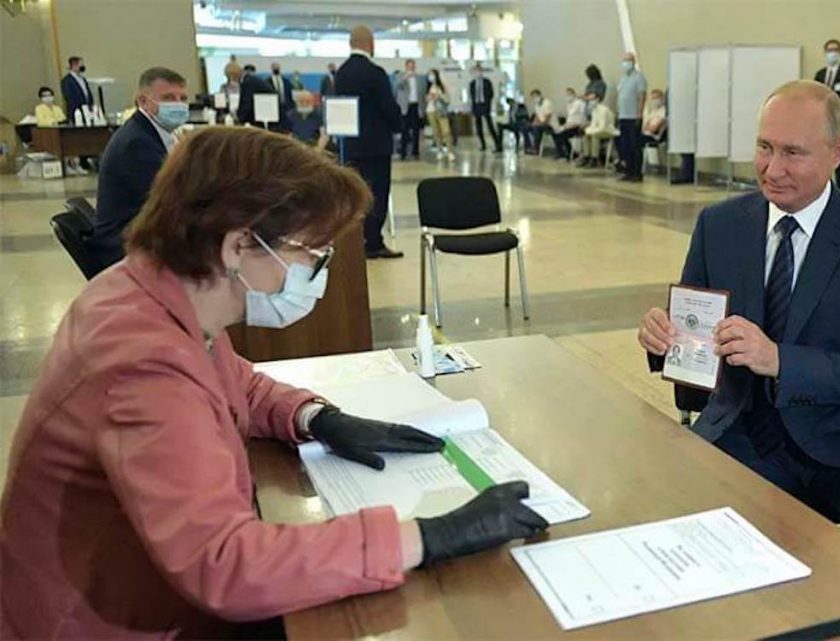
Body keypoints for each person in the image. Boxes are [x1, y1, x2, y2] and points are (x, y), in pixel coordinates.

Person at [0, 127, 549, 640]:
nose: (319, 270)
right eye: (311, 253)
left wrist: (318, 418)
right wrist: (431, 537)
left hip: (147, 588)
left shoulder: (155, 292)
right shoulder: (139, 358)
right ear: (238, 247)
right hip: (106, 621)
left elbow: (235, 384)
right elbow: (225, 564)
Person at [638, 80, 840, 573]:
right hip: (746, 424)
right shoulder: (718, 226)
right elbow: (695, 351)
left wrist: (780, 360)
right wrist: (666, 344)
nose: (773, 169)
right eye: (764, 148)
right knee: (677, 505)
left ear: (839, 151)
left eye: (793, 152)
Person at [88, 67, 189, 270]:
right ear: (143, 101)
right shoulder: (137, 143)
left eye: (183, 98)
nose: (178, 104)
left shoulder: (152, 133)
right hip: (127, 246)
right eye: (168, 98)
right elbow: (172, 201)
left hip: (140, 233)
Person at [335, 25, 405, 259]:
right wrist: (399, 126)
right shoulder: (375, 73)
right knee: (377, 193)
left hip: (351, 145)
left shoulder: (341, 73)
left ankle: (355, 240)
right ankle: (374, 242)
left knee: (354, 194)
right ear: (370, 44)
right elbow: (388, 107)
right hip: (376, 145)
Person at [814, 39, 840, 191]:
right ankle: (823, 188)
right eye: (830, 50)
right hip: (821, 122)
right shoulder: (820, 74)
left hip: (839, 121)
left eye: (835, 50)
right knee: (821, 154)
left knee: (839, 156)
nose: (833, 53)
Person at [34, 86, 84, 176]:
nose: (48, 97)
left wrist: (59, 122)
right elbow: (41, 121)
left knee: (72, 142)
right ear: (41, 98)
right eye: (45, 96)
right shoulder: (39, 108)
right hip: (48, 134)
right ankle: (66, 167)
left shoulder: (57, 108)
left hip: (61, 131)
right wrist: (53, 122)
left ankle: (75, 165)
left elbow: (63, 119)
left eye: (49, 95)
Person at [616, 52, 647, 182]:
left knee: (635, 145)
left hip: (633, 116)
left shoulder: (639, 77)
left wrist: (639, 114)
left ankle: (637, 173)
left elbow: (641, 96)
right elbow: (620, 96)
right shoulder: (622, 79)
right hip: (623, 116)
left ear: (633, 62)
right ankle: (628, 171)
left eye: (628, 60)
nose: (626, 63)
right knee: (625, 145)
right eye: (624, 60)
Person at [395, 59, 427, 160]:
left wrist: (423, 107)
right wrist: (405, 78)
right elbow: (397, 87)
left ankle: (415, 152)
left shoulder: (420, 78)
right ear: (406, 66)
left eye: (412, 66)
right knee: (404, 130)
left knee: (416, 130)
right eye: (409, 66)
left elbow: (423, 92)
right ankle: (403, 152)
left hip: (416, 106)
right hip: (405, 106)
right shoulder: (400, 76)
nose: (411, 68)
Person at [577, 95, 618, 168]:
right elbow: (593, 124)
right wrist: (587, 131)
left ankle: (594, 158)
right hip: (598, 129)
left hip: (608, 130)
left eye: (592, 100)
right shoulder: (594, 110)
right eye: (589, 100)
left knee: (594, 135)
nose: (591, 102)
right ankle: (587, 157)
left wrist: (591, 131)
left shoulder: (604, 110)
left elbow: (602, 126)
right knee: (586, 135)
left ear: (598, 99)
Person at [469, 63, 501, 153]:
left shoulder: (487, 82)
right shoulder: (472, 84)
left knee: (489, 125)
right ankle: (482, 144)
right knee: (479, 126)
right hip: (476, 106)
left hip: (485, 105)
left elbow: (491, 93)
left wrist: (487, 103)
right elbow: (472, 96)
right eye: (474, 71)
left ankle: (497, 143)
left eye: (478, 71)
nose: (476, 73)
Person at [424, 69, 456, 161]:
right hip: (430, 110)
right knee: (436, 132)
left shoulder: (442, 86)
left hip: (441, 111)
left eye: (432, 75)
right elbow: (426, 99)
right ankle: (439, 150)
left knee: (446, 131)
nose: (431, 77)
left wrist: (439, 96)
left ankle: (450, 151)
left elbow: (447, 100)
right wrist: (429, 97)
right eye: (429, 75)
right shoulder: (428, 87)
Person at [551, 87, 587, 161]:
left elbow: (583, 116)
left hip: (578, 126)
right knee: (555, 133)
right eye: (566, 95)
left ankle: (567, 155)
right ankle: (562, 154)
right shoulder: (569, 104)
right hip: (569, 125)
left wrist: (575, 125)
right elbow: (570, 118)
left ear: (574, 94)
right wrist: (564, 126)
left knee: (561, 135)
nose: (568, 96)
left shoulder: (580, 103)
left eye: (569, 94)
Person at [60, 55, 94, 122]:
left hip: (87, 110)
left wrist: (90, 106)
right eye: (80, 65)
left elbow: (88, 93)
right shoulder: (67, 80)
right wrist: (79, 110)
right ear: (74, 65)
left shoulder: (83, 79)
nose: (82, 67)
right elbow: (69, 98)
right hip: (76, 112)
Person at [524, 89, 553, 154]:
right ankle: (528, 147)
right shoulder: (537, 104)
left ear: (540, 95)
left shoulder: (547, 103)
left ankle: (535, 148)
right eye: (533, 97)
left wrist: (539, 124)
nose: (534, 98)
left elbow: (548, 117)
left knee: (536, 128)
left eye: (535, 96)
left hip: (548, 124)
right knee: (525, 127)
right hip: (540, 124)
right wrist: (533, 122)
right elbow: (537, 115)